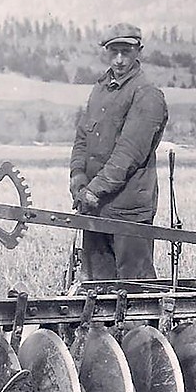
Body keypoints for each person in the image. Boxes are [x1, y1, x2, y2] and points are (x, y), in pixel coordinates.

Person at [69, 23, 168, 280]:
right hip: (95, 206)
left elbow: (128, 154)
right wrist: (77, 176)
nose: (120, 60)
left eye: (126, 51)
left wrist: (93, 189)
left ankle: (140, 324)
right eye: (114, 52)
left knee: (135, 289)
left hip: (128, 209)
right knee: (97, 286)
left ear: (139, 51)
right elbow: (82, 137)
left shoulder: (147, 94)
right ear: (106, 52)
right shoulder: (100, 89)